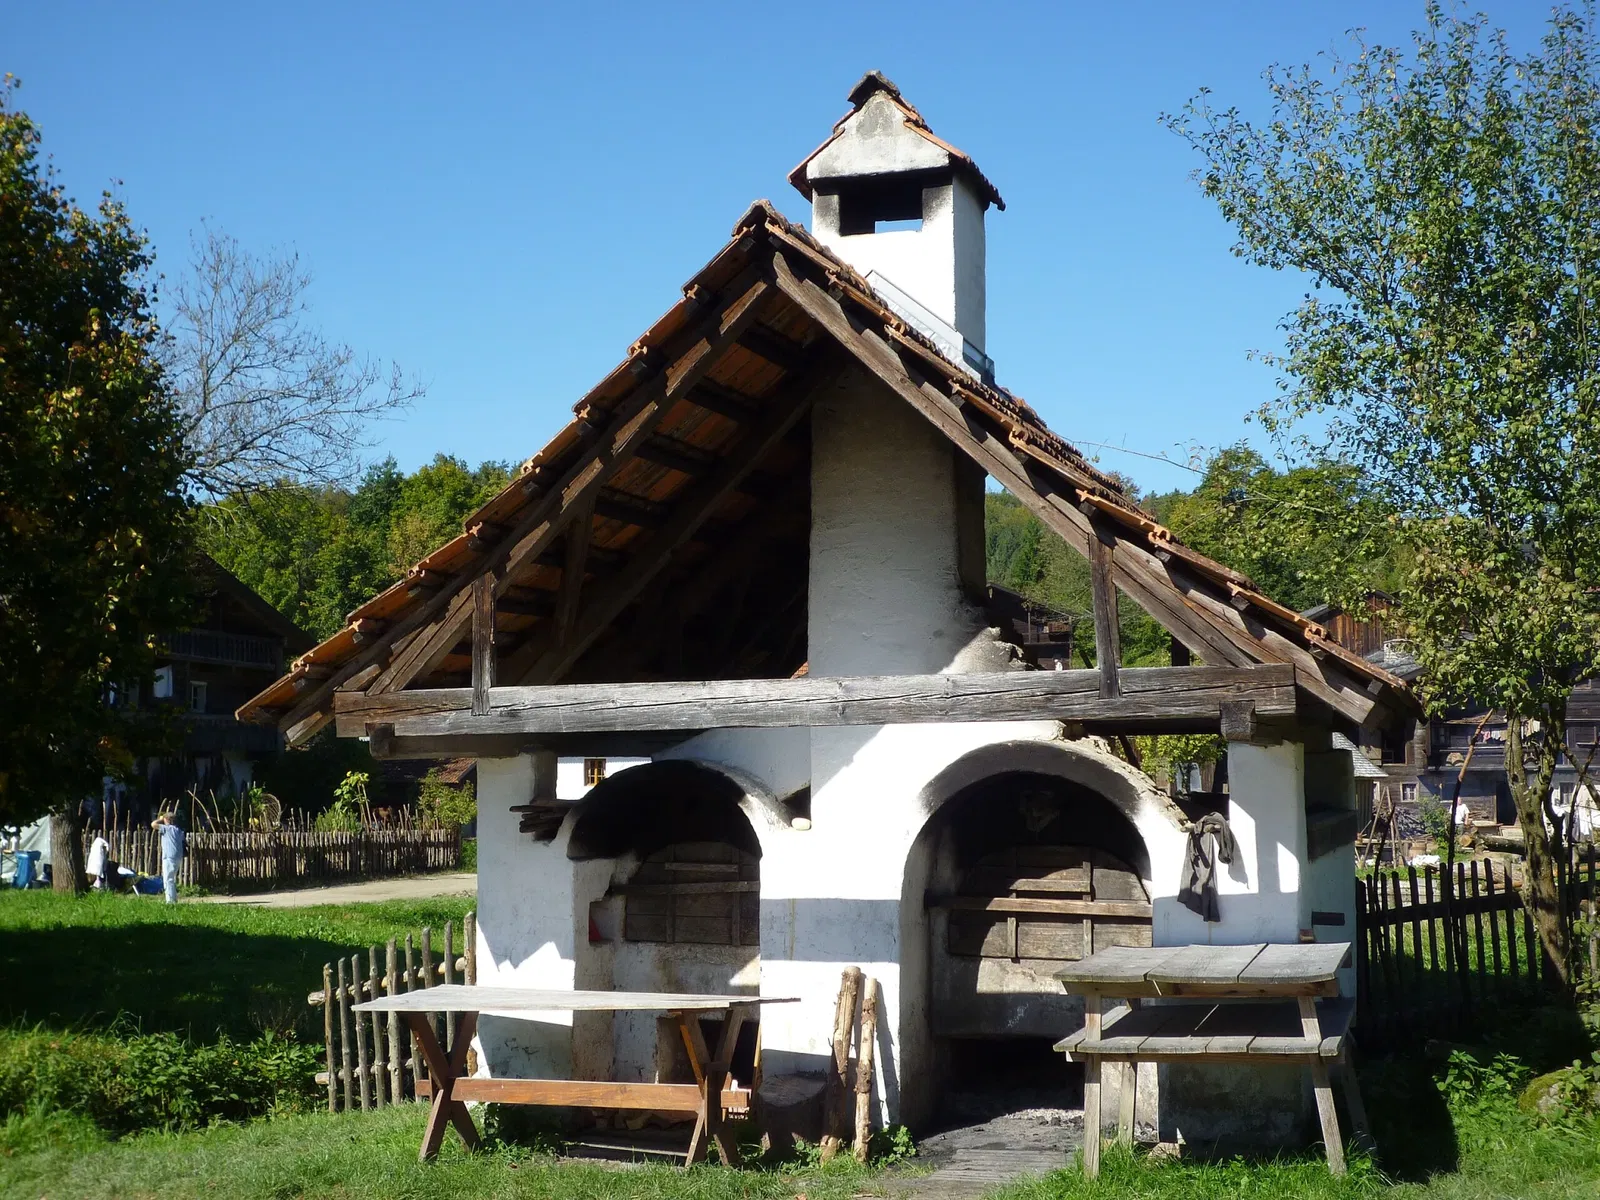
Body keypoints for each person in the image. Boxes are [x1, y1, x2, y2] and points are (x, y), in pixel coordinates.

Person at [152, 813, 185, 903]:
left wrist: (160, 819)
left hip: (169, 857)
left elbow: (153, 824)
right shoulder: (178, 830)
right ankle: (173, 899)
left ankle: (170, 901)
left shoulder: (166, 828)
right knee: (171, 878)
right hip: (177, 857)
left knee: (168, 879)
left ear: (167, 820)